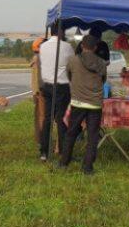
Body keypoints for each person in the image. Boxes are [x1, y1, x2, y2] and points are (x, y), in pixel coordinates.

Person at [59, 34, 107, 175]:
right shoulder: (101, 63)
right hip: (95, 104)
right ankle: (87, 168)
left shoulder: (73, 60)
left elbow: (69, 76)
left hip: (78, 102)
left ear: (81, 45)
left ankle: (64, 163)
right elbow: (103, 80)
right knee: (92, 136)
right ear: (96, 47)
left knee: (71, 133)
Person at [38, 22, 74, 162]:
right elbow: (71, 65)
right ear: (61, 32)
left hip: (46, 86)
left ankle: (44, 153)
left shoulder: (43, 46)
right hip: (62, 87)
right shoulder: (67, 47)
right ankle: (63, 153)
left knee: (47, 120)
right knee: (61, 120)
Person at [30, 37, 46, 144]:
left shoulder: (37, 58)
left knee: (39, 116)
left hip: (37, 92)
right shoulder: (38, 59)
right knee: (41, 116)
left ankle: (40, 139)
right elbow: (36, 78)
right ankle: (41, 139)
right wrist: (37, 92)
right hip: (39, 92)